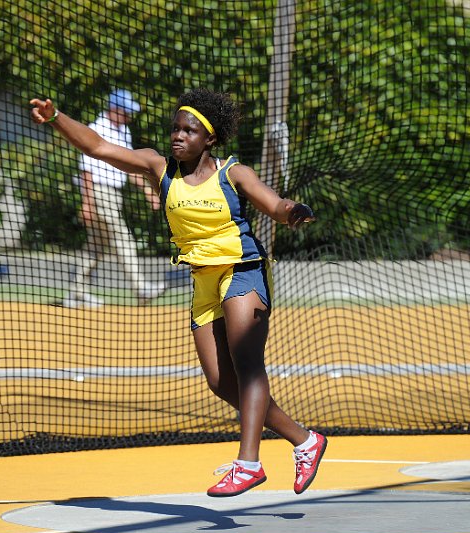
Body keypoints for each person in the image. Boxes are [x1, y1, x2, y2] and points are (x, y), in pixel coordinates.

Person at [31, 88, 326, 497]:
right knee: (221, 383)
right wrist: (56, 116)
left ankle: (248, 464)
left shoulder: (232, 172)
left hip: (241, 269)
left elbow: (273, 204)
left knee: (247, 363)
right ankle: (306, 440)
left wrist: (294, 212)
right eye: (175, 128)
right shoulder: (159, 166)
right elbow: (98, 146)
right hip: (202, 280)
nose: (178, 136)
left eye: (189, 131)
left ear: (210, 139)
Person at [65, 89, 165, 308]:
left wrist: (148, 191)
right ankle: (140, 288)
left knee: (96, 246)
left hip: (113, 194)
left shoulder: (124, 131)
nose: (128, 117)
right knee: (122, 237)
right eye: (125, 112)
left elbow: (130, 165)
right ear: (114, 109)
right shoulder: (97, 128)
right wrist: (87, 202)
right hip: (99, 192)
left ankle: (76, 293)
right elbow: (86, 171)